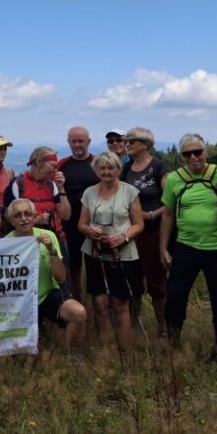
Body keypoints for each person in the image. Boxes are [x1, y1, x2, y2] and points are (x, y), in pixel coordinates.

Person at [159, 133, 217, 356]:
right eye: (187, 154)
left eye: (197, 152)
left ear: (206, 152)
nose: (193, 157)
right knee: (174, 296)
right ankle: (173, 341)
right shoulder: (175, 179)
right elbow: (168, 214)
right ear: (181, 156)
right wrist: (163, 247)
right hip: (185, 246)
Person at [78, 151, 144, 354]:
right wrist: (90, 231)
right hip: (95, 252)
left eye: (111, 168)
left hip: (123, 253)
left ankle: (125, 350)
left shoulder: (130, 191)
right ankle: (106, 351)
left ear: (118, 169)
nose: (106, 172)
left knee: (120, 302)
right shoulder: (89, 192)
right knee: (98, 302)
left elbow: (138, 224)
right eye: (102, 168)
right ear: (96, 170)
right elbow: (81, 224)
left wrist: (123, 237)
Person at [6, 198, 87, 356]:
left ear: (34, 216)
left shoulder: (48, 236)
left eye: (27, 213)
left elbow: (61, 278)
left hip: (47, 295)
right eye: (18, 215)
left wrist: (51, 250)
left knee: (78, 313)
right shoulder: (4, 244)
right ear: (11, 221)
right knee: (27, 356)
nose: (23, 218)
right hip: (20, 301)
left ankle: (73, 358)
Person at [119, 127, 169, 336]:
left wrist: (151, 215)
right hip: (131, 233)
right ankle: (133, 328)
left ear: (146, 144)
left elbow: (170, 203)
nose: (127, 144)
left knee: (157, 281)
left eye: (132, 141)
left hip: (154, 231)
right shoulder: (126, 168)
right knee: (133, 281)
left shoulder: (159, 168)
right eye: (126, 141)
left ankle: (164, 328)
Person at [59, 126, 97, 302]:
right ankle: (77, 301)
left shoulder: (97, 163)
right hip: (69, 223)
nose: (77, 144)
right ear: (68, 142)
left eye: (81, 141)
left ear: (88, 142)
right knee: (73, 266)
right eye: (73, 141)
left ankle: (98, 301)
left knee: (95, 265)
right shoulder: (62, 165)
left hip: (95, 223)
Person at [3, 146, 70, 244]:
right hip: (29, 242)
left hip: (54, 238)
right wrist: (35, 220)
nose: (55, 170)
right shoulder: (18, 184)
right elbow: (9, 217)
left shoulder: (52, 185)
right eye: (53, 166)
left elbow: (65, 216)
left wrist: (61, 188)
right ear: (39, 162)